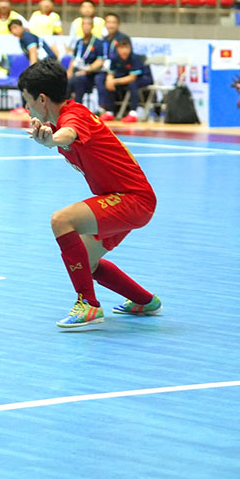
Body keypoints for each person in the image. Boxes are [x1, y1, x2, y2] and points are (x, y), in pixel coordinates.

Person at [19, 59, 161, 329]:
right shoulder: (67, 115)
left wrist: (50, 140)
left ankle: (88, 305)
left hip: (132, 200)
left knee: (61, 220)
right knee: (87, 260)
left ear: (41, 99)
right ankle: (145, 301)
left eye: (27, 101)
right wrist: (51, 135)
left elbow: (69, 134)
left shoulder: (74, 117)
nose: (26, 108)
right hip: (122, 198)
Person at [103, 38, 152, 123]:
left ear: (130, 48)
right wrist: (109, 80)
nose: (124, 51)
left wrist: (114, 81)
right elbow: (110, 73)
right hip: (125, 78)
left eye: (127, 48)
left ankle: (133, 113)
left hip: (143, 78)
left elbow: (132, 77)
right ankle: (109, 112)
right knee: (108, 83)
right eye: (122, 48)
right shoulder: (115, 58)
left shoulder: (134, 58)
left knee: (133, 84)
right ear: (117, 49)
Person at [66, 15, 104, 105]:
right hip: (77, 71)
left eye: (89, 24)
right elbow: (74, 59)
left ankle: (77, 106)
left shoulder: (97, 42)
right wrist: (69, 72)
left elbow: (100, 61)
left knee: (79, 79)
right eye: (84, 24)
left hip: (89, 74)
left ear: (92, 26)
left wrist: (86, 70)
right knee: (66, 80)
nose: (86, 26)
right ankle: (64, 107)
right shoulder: (79, 42)